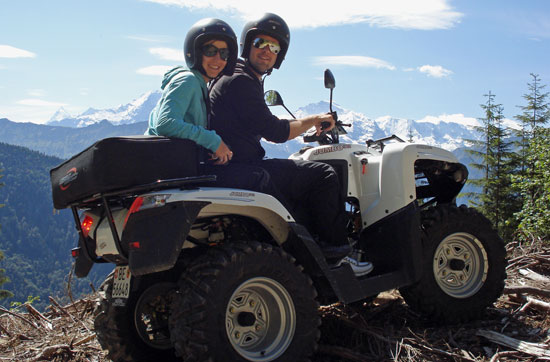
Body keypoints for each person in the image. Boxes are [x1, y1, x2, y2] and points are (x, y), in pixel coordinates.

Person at [209, 13, 373, 276]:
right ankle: (337, 255)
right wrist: (313, 120)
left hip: (233, 167)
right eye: (261, 43)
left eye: (274, 47)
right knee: (323, 175)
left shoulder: (232, 77)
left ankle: (311, 250)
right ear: (248, 44)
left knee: (294, 175)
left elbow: (257, 124)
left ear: (279, 55)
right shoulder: (241, 81)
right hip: (241, 169)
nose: (266, 51)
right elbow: (276, 131)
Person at [146, 18, 283, 198]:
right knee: (258, 178)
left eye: (224, 54)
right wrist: (213, 140)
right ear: (194, 52)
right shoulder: (188, 81)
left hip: (178, 167)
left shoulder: (200, 85)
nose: (218, 59)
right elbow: (166, 124)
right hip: (168, 171)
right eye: (210, 51)